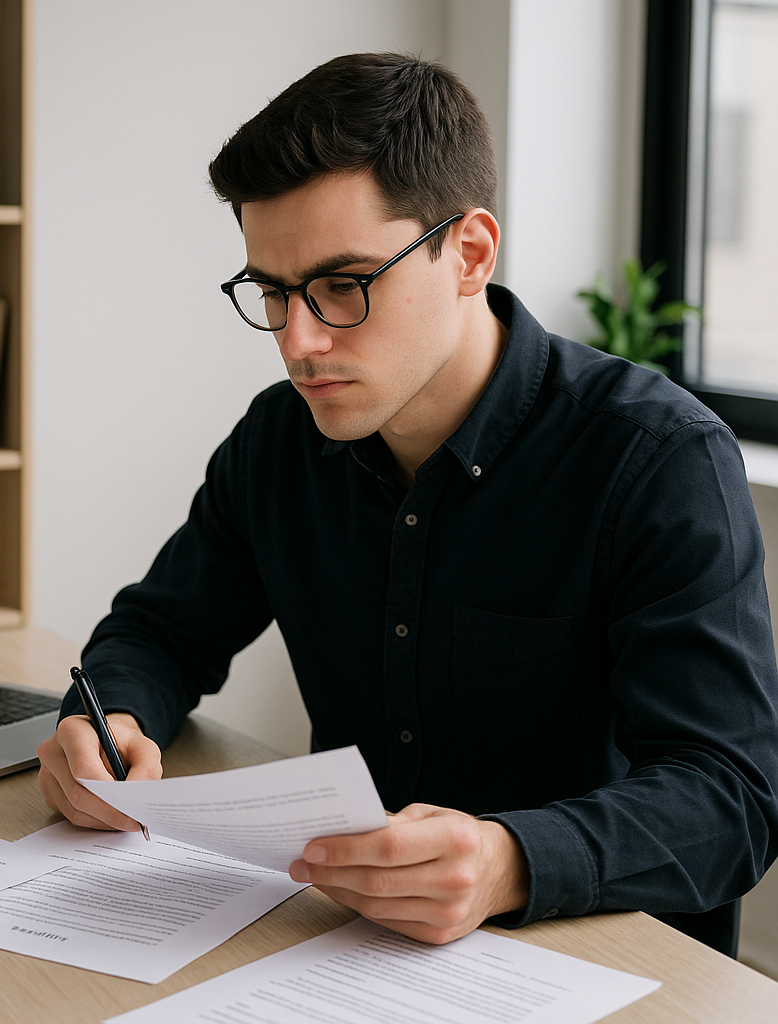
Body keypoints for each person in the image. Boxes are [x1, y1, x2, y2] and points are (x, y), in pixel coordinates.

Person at [38, 53, 778, 957]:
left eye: (343, 285)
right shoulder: (282, 440)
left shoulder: (658, 458)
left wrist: (509, 858)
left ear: (468, 253)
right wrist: (108, 718)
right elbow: (160, 631)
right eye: (272, 292)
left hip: (596, 958)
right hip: (348, 946)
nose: (298, 341)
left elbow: (730, 795)